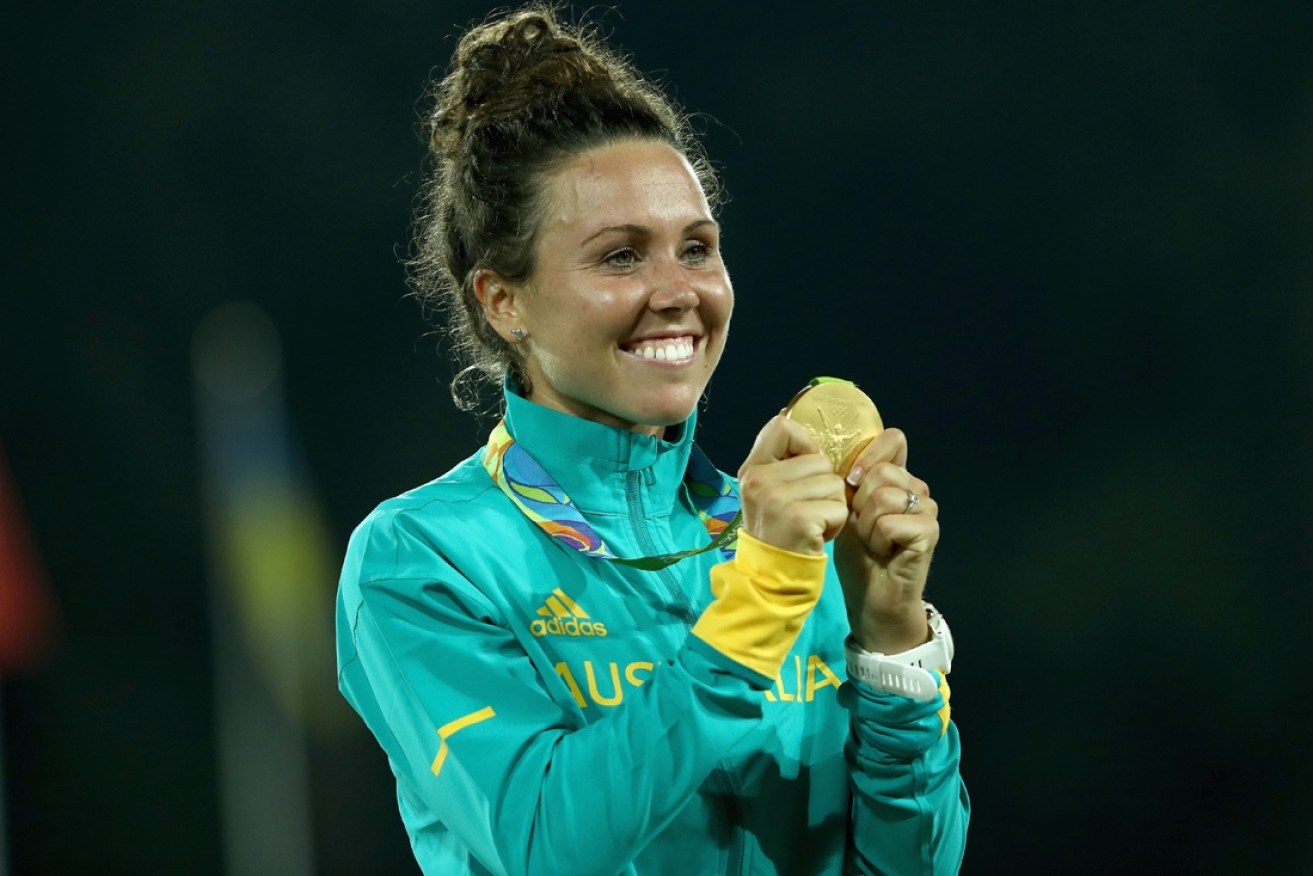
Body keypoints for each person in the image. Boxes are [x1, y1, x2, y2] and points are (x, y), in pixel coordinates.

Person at [336, 5, 970, 874]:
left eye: (697, 248)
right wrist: (757, 603)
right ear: (501, 300)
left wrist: (890, 636)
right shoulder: (425, 558)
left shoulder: (789, 541)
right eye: (621, 256)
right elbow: (544, 843)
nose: (678, 291)